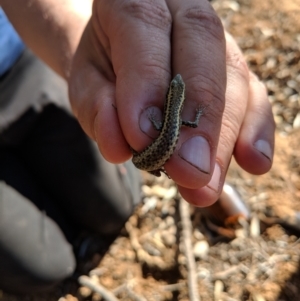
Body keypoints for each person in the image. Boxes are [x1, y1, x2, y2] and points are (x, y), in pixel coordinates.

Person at [0, 0, 275, 295]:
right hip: (149, 159)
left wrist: (76, 34)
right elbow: (187, 123)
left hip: (18, 58)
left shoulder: (171, 117)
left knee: (116, 203)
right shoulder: (178, 118)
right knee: (44, 268)